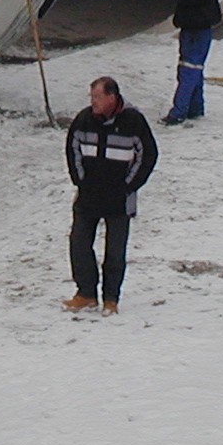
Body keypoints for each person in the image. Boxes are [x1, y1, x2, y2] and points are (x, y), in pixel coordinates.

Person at [63, 76, 158, 314]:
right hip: (88, 196)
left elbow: (147, 155)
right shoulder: (84, 120)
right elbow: (72, 149)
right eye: (92, 97)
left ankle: (111, 299)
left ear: (112, 97)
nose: (92, 102)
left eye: (97, 97)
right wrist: (81, 181)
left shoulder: (134, 121)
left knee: (115, 253)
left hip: (119, 200)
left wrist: (128, 186)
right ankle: (85, 293)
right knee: (79, 244)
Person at [163, 0, 222, 126]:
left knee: (189, 70)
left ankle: (179, 112)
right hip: (191, 33)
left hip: (198, 34)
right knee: (191, 69)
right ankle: (195, 108)